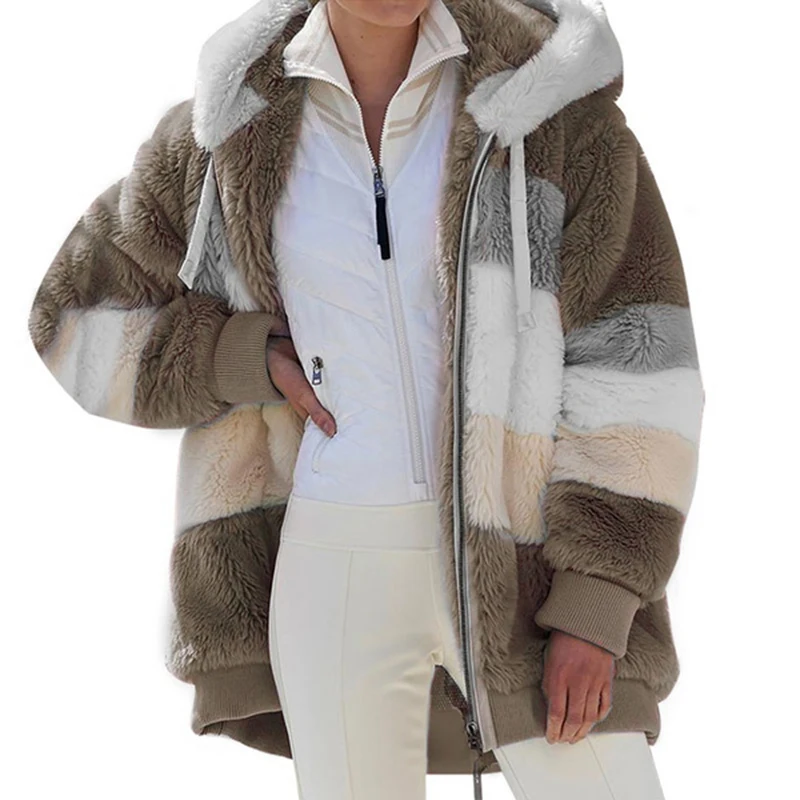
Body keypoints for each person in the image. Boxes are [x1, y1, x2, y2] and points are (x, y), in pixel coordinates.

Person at [26, 1, 704, 799]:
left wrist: (598, 600)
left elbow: (639, 363)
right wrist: (237, 357)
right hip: (334, 567)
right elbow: (69, 320)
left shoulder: (549, 109)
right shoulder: (228, 133)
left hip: (526, 568)